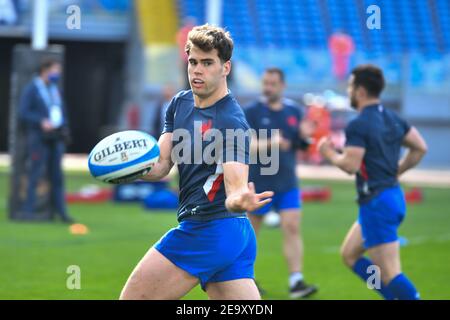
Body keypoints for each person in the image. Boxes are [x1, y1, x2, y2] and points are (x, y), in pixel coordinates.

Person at [120, 24, 273, 300]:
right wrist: (129, 167)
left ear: (225, 68)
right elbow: (161, 165)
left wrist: (241, 199)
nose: (197, 70)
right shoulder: (180, 104)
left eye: (207, 63)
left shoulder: (231, 122)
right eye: (192, 62)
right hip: (231, 236)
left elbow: (235, 188)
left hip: (209, 230)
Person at [318, 64, 427, 300]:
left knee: (390, 274)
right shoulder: (393, 118)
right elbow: (420, 147)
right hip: (391, 197)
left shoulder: (359, 124)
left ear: (360, 91)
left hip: (377, 203)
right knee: (350, 254)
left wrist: (328, 153)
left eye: (350, 86)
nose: (348, 91)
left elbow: (350, 165)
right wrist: (398, 171)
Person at [244, 68, 317, 298]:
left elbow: (300, 145)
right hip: (258, 183)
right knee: (250, 234)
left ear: (282, 86)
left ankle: (296, 282)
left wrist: (306, 137)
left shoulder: (294, 110)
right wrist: (271, 143)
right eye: (265, 83)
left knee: (292, 228)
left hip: (287, 183)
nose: (268, 87)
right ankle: (247, 281)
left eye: (273, 83)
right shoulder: (252, 112)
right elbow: (246, 145)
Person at [19, 58, 74, 223]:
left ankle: (61, 212)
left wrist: (63, 126)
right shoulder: (32, 88)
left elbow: (60, 110)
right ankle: (28, 211)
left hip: (55, 138)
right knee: (35, 174)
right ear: (45, 69)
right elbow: (23, 113)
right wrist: (40, 121)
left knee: (57, 176)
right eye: (55, 70)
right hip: (39, 138)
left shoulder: (54, 89)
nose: (58, 74)